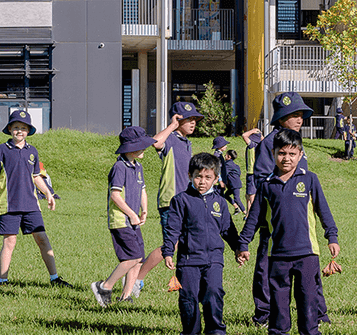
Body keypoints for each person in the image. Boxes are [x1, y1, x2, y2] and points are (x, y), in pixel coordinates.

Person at [237, 128, 339, 335]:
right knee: (279, 308)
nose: (286, 158)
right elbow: (254, 218)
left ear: (300, 155)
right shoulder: (266, 186)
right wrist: (243, 243)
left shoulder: (310, 179)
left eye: (292, 154)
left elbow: (323, 211)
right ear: (273, 154)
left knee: (308, 304)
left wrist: (332, 236)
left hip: (307, 255)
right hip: (278, 257)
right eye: (282, 153)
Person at [240, 93, 318, 327]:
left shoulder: (296, 143)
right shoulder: (269, 143)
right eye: (293, 114)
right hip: (274, 219)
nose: (299, 119)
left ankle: (317, 313)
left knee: (308, 268)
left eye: (301, 114)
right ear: (281, 118)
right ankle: (264, 313)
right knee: (267, 264)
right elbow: (263, 179)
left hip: (299, 224)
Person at [0, 108, 65, 286]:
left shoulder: (32, 151)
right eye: (16, 127)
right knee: (9, 241)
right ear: (10, 129)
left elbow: (36, 177)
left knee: (42, 238)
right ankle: (3, 280)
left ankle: (55, 278)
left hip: (31, 205)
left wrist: (48, 193)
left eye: (24, 128)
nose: (20, 131)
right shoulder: (2, 150)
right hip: (9, 205)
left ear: (28, 131)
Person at [162, 151, 246, 333]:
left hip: (214, 259)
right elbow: (173, 229)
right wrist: (168, 251)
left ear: (216, 178)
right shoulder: (181, 201)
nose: (202, 181)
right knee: (188, 298)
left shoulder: (221, 203)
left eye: (208, 177)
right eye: (198, 176)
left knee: (214, 294)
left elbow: (228, 230)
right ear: (190, 176)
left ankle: (216, 330)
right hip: (188, 261)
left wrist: (238, 249)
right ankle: (191, 331)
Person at [135, 101, 204, 291]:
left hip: (185, 200)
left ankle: (182, 281)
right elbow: (155, 142)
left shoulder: (186, 142)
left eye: (195, 120)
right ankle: (136, 279)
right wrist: (172, 125)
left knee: (186, 241)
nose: (193, 123)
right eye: (188, 119)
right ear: (177, 119)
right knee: (170, 245)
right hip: (171, 201)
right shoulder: (171, 139)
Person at [92, 126, 151, 307]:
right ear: (130, 148)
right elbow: (115, 195)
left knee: (138, 258)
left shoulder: (138, 166)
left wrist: (144, 210)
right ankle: (104, 286)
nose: (144, 149)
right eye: (141, 146)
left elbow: (142, 189)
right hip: (121, 221)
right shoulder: (119, 167)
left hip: (133, 220)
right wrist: (132, 214)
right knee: (132, 257)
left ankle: (125, 296)